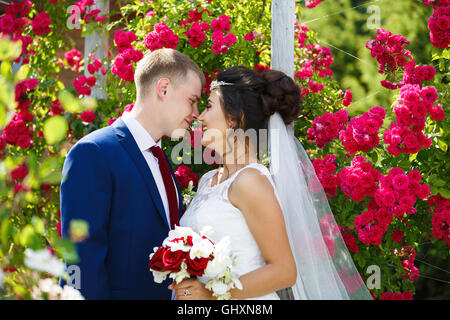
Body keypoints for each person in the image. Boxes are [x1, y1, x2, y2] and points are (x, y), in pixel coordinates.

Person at [171, 66, 373, 300]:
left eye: (208, 106)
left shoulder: (251, 181)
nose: (199, 116)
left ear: (235, 118)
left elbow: (284, 271)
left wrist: (210, 295)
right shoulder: (209, 180)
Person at [59, 48, 205, 299]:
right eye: (192, 100)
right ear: (164, 88)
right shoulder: (94, 152)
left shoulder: (161, 161)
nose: (196, 113)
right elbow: (79, 258)